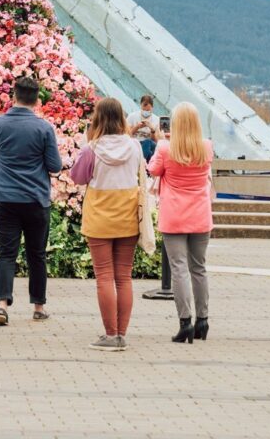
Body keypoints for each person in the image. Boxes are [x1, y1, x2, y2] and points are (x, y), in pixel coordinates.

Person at [0, 76, 62, 326]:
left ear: (13, 96)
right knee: (37, 254)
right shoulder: (44, 128)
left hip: (6, 197)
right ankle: (38, 306)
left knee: (6, 253)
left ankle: (2, 305)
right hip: (36, 199)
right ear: (37, 100)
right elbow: (55, 166)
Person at [70, 97, 145, 351]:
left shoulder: (91, 149)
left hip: (99, 216)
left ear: (98, 118)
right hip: (128, 215)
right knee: (124, 277)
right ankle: (121, 334)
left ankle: (109, 334)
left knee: (104, 276)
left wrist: (84, 143)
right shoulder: (134, 146)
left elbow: (78, 178)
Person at [148, 102, 214, 344]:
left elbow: (153, 170)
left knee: (179, 268)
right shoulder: (206, 147)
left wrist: (159, 142)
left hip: (174, 214)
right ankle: (203, 320)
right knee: (199, 268)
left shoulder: (166, 148)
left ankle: (184, 322)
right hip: (200, 214)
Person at [126, 94, 162, 162]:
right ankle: (142, 163)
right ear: (140, 105)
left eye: (148, 110)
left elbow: (157, 141)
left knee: (148, 142)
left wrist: (152, 130)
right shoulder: (132, 116)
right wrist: (137, 127)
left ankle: (140, 162)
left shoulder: (156, 120)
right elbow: (126, 135)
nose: (146, 112)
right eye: (144, 109)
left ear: (152, 108)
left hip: (148, 145)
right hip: (135, 142)